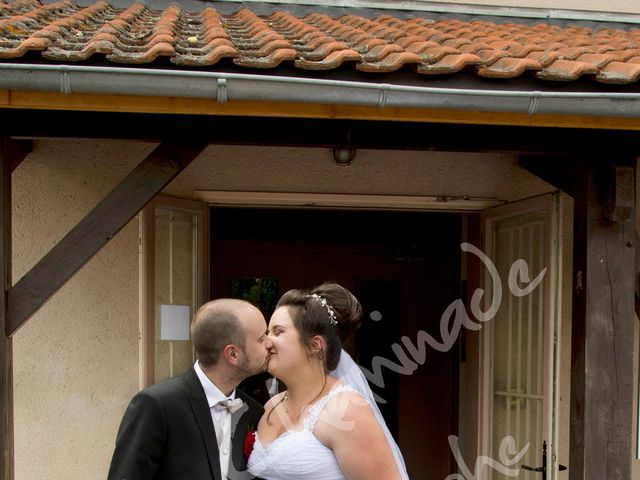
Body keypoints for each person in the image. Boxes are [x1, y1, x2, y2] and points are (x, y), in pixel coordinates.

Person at [247, 283, 409, 480]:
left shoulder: (346, 410)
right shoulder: (272, 405)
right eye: (267, 332)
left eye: (278, 332)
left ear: (315, 345)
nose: (267, 342)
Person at [108, 299, 271, 480]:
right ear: (233, 354)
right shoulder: (158, 405)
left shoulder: (253, 411)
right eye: (261, 338)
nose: (269, 343)